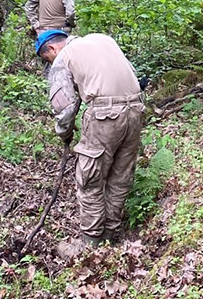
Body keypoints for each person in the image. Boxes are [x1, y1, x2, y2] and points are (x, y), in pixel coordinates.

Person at [36, 29, 143, 252]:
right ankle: (109, 237)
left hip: (104, 116)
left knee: (90, 179)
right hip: (136, 109)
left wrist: (64, 133)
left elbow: (64, 107)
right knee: (120, 177)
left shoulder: (64, 57)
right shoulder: (103, 39)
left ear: (53, 48)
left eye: (48, 59)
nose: (51, 62)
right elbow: (132, 75)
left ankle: (91, 245)